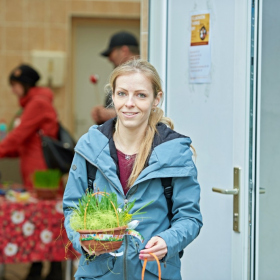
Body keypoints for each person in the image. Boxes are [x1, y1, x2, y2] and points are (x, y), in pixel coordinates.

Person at [63, 59, 203, 280]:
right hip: (98, 274)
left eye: (141, 95)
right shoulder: (89, 147)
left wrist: (168, 241)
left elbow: (189, 217)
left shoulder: (175, 152)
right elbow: (72, 208)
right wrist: (82, 241)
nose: (129, 103)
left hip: (153, 273)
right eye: (122, 94)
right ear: (113, 97)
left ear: (156, 99)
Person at [0, 64, 62, 280]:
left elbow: (18, 136)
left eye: (15, 85)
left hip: (42, 174)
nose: (13, 90)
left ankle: (51, 271)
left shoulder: (37, 103)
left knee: (45, 220)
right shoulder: (34, 103)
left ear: (25, 85)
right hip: (37, 172)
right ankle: (39, 269)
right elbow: (22, 143)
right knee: (42, 220)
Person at [91, 31, 140, 125]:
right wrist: (102, 113)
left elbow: (145, 110)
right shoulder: (121, 76)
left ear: (124, 51)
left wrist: (114, 114)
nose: (109, 59)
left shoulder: (143, 76)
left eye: (111, 54)